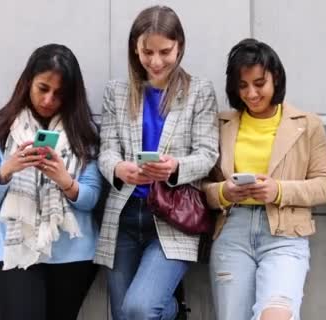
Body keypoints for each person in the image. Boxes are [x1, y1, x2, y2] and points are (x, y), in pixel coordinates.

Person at [94, 5, 219, 320]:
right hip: (123, 217)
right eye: (147, 52)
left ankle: (174, 311)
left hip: (172, 217)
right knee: (124, 316)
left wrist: (174, 168)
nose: (156, 61)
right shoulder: (116, 92)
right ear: (135, 48)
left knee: (138, 309)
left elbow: (207, 153)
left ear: (180, 47)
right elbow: (106, 151)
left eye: (165, 51)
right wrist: (119, 170)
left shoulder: (199, 91)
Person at [203, 38, 326, 320]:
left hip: (285, 233)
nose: (251, 93)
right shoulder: (221, 124)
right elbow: (201, 188)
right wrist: (225, 192)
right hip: (232, 231)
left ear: (276, 78)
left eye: (259, 83)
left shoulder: (306, 124)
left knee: (276, 316)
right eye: (243, 86)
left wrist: (278, 190)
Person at [0, 43, 101, 320]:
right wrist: (8, 169)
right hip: (14, 252)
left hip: (72, 256)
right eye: (43, 88)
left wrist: (65, 180)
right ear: (28, 82)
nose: (48, 100)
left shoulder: (85, 132)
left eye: (59, 94)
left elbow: (91, 199)